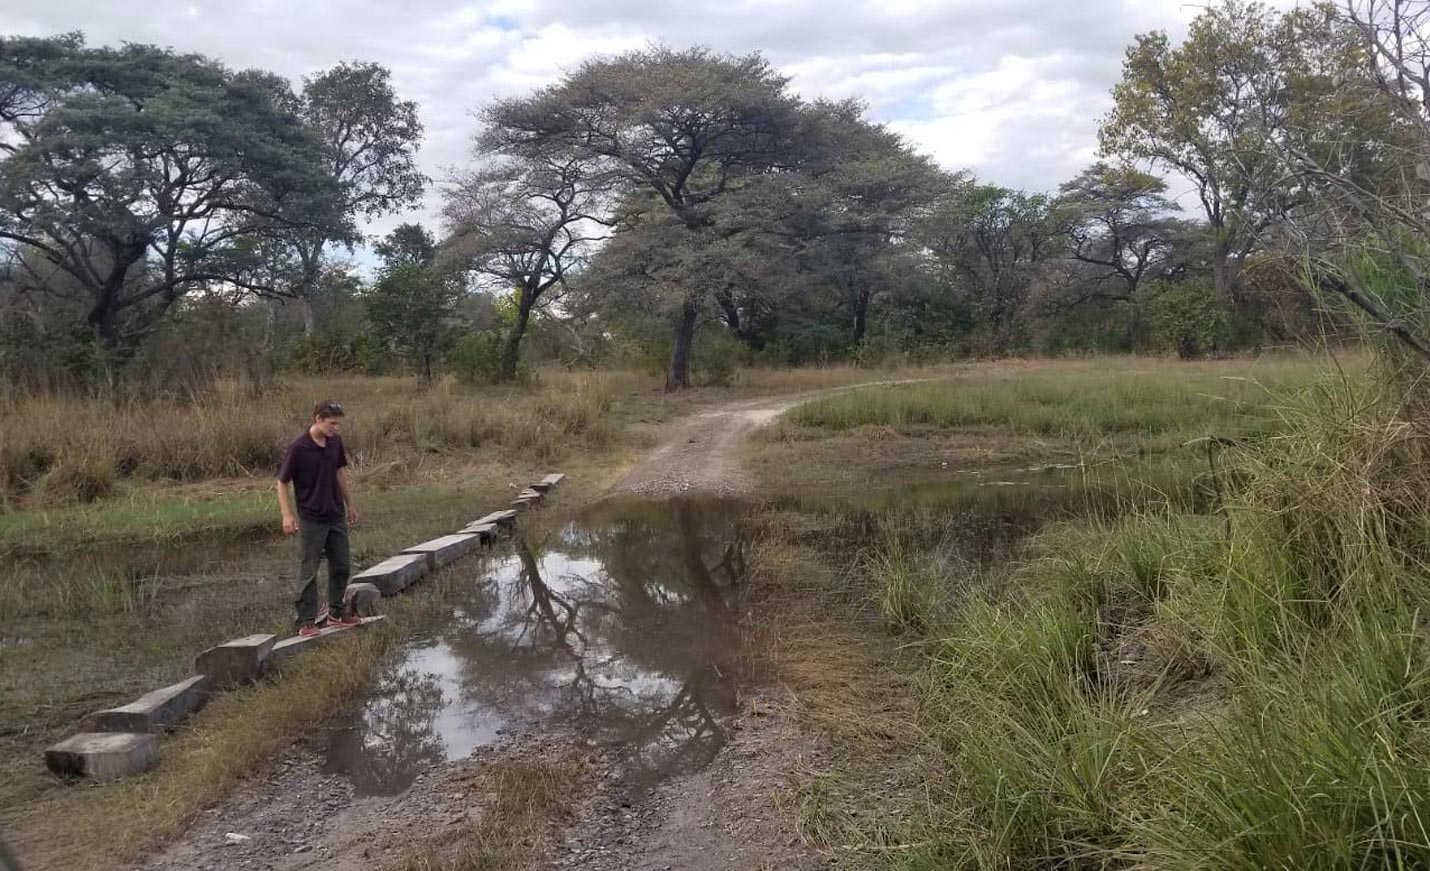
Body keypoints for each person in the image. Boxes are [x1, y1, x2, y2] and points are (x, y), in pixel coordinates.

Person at [276, 400, 361, 637]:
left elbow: (339, 472)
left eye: (338, 424)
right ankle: (306, 621)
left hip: (335, 514)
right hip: (311, 517)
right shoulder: (298, 448)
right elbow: (282, 483)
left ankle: (336, 612)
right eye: (333, 424)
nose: (337, 428)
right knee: (309, 570)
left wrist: (350, 504)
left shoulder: (335, 442)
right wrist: (286, 515)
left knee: (342, 565)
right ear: (318, 420)